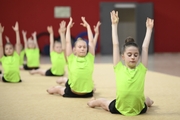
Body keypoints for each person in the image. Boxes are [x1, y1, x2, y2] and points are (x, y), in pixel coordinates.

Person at [87, 10, 154, 116]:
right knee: (102, 102)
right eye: (129, 55)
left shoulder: (141, 69)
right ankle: (92, 101)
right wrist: (114, 25)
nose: (133, 57)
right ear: (123, 56)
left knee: (146, 102)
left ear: (138, 57)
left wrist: (149, 30)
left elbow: (145, 48)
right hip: (119, 107)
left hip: (139, 109)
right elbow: (115, 45)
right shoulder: (118, 68)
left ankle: (148, 100)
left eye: (136, 55)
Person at [47, 16, 95, 98]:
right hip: (72, 91)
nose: (82, 49)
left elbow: (91, 41)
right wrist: (68, 28)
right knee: (58, 90)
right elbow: (68, 42)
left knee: (94, 90)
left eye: (84, 47)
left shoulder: (90, 58)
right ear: (74, 49)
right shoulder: (71, 58)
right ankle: (59, 86)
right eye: (80, 47)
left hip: (87, 93)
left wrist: (88, 27)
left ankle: (64, 80)